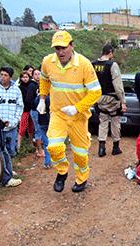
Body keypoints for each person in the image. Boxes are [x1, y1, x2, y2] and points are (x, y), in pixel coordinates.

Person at [37, 31, 102, 193]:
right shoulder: (47, 62)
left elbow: (96, 91)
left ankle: (82, 179)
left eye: (64, 48)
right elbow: (44, 79)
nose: (60, 52)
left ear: (72, 46)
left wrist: (77, 108)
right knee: (53, 147)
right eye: (57, 48)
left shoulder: (84, 65)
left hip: (78, 117)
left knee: (80, 153)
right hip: (58, 113)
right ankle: (62, 172)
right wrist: (42, 99)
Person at [92, 44, 126, 157]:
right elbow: (118, 86)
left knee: (103, 122)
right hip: (112, 99)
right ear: (110, 52)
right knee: (116, 122)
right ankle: (115, 148)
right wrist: (123, 101)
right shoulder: (112, 65)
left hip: (99, 98)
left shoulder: (93, 65)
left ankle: (101, 148)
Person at [0, 66, 24, 157]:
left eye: (6, 75)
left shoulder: (16, 90)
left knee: (11, 150)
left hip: (11, 125)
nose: (3, 77)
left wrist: (16, 120)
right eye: (1, 74)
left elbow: (20, 106)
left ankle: (9, 169)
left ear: (10, 77)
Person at [27, 68, 45, 157]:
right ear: (32, 75)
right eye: (36, 74)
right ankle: (40, 150)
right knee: (38, 129)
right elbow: (28, 99)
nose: (38, 76)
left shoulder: (41, 84)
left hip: (41, 110)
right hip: (35, 110)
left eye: (39, 74)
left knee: (42, 129)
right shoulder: (31, 85)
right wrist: (37, 99)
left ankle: (42, 148)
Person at [17, 71, 35, 150]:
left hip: (31, 108)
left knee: (31, 127)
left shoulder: (32, 85)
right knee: (22, 127)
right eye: (23, 77)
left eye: (26, 77)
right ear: (21, 78)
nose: (25, 79)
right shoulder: (19, 87)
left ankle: (31, 143)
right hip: (24, 110)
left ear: (29, 77)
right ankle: (18, 146)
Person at [38, 95, 51, 169]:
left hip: (42, 122)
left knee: (46, 143)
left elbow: (34, 105)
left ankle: (47, 162)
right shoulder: (51, 98)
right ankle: (49, 162)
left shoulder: (39, 99)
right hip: (50, 122)